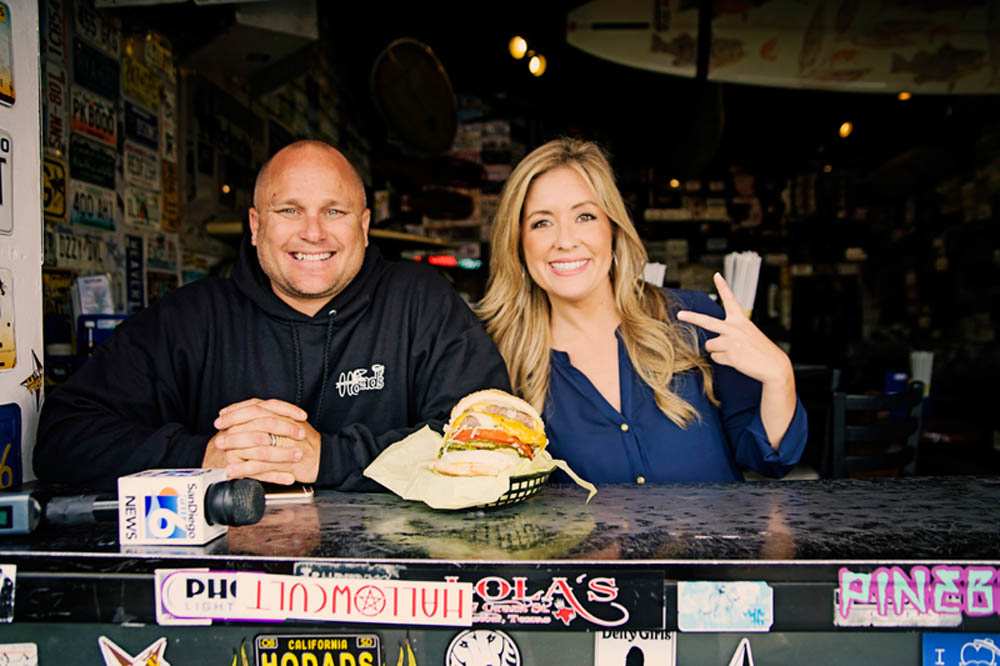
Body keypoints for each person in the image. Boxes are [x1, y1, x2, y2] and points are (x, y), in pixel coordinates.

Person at [35, 140, 510, 490]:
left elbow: (493, 440)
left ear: (364, 227)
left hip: (393, 581)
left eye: (334, 212)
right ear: (257, 227)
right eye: (289, 210)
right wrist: (201, 455)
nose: (312, 233)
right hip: (219, 589)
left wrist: (329, 458)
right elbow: (62, 439)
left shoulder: (419, 302)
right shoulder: (193, 318)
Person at [478, 138, 806, 484]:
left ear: (613, 230)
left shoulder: (692, 319)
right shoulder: (502, 360)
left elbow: (768, 460)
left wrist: (780, 376)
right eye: (542, 223)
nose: (565, 239)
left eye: (585, 216)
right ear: (518, 243)